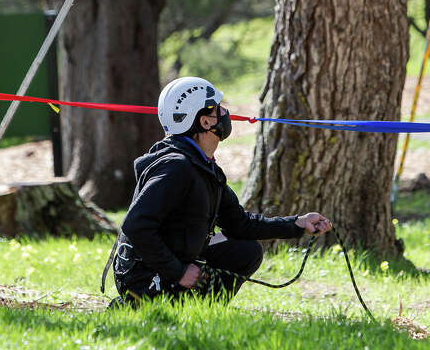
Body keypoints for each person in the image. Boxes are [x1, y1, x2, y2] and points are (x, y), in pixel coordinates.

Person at [109, 76, 332, 304]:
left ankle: (196, 311)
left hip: (176, 261)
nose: (225, 113)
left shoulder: (204, 167)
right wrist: (178, 271)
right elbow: (135, 226)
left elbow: (240, 224)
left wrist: (297, 223)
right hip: (145, 277)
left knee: (247, 252)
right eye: (218, 108)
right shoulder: (177, 168)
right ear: (205, 122)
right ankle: (141, 303)